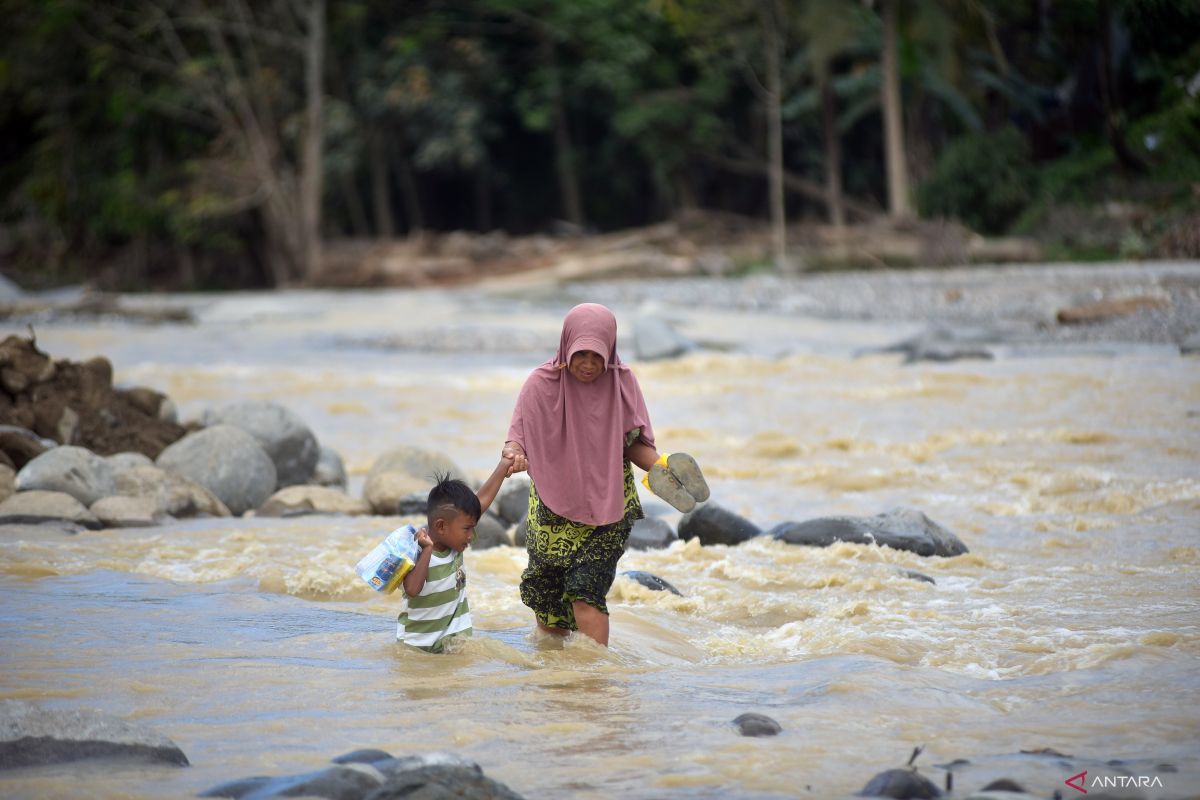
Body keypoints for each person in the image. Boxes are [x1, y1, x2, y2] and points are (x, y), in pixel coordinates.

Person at [503, 303, 708, 646]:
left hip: (610, 506)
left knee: (586, 594)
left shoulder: (622, 382)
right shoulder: (541, 383)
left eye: (597, 355)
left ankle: (597, 679)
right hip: (552, 507)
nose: (588, 364)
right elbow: (517, 437)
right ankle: (557, 683)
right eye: (580, 354)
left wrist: (662, 469)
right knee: (549, 605)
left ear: (610, 350)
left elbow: (632, 444)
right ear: (566, 347)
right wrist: (515, 453)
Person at [397, 455, 513, 653]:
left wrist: (503, 467)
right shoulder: (416, 549)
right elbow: (412, 589)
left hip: (454, 644)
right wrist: (427, 550)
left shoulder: (454, 543)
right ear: (441, 526)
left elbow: (480, 502)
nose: (471, 536)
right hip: (417, 649)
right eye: (467, 529)